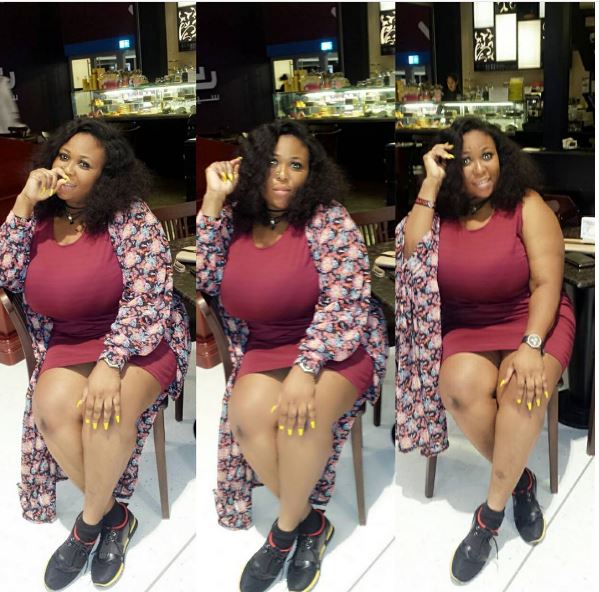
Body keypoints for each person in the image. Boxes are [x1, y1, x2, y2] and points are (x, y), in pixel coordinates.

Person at [197, 119, 388, 592]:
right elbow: (206, 280)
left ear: (311, 173)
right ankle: (312, 523)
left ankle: (283, 534)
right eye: (272, 163)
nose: (282, 175)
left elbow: (347, 301)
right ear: (251, 167)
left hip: (338, 345)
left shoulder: (328, 218)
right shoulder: (236, 219)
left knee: (299, 418)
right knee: (246, 421)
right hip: (264, 344)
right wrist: (214, 200)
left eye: (296, 165)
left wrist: (306, 369)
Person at [0, 117, 190, 590]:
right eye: (63, 156)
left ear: (105, 177)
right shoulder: (39, 214)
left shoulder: (130, 215)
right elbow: (5, 274)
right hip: (67, 338)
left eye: (84, 164)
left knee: (106, 411)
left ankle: (87, 529)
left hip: (140, 337)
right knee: (50, 412)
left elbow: (150, 298)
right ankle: (116, 517)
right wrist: (23, 202)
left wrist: (111, 362)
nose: (67, 169)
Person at [395, 115, 575, 583]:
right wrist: (430, 183)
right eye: (466, 160)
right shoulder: (443, 211)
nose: (479, 169)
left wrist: (532, 345)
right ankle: (521, 479)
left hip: (532, 318)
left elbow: (547, 283)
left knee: (521, 392)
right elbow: (410, 254)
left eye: (487, 156)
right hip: (469, 325)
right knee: (457, 387)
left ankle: (489, 517)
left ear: (502, 157)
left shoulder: (526, 205)